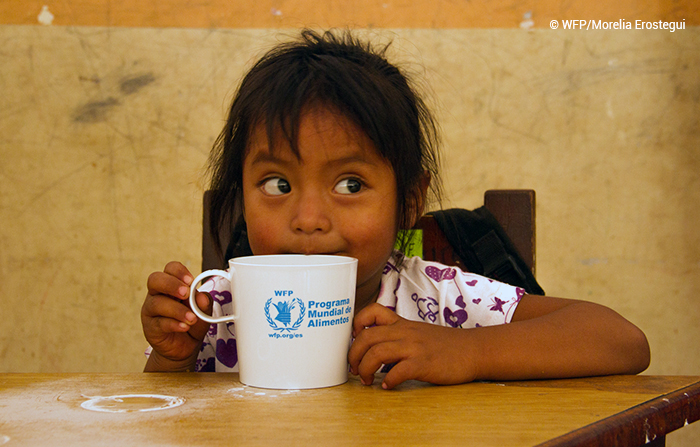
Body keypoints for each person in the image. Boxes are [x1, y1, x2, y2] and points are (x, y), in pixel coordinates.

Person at [141, 29, 650, 389]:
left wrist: (468, 352)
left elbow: (622, 340)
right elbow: (166, 413)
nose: (309, 217)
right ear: (241, 198)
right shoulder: (221, 312)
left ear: (409, 201)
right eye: (277, 183)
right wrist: (171, 358)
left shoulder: (438, 300)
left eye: (350, 182)